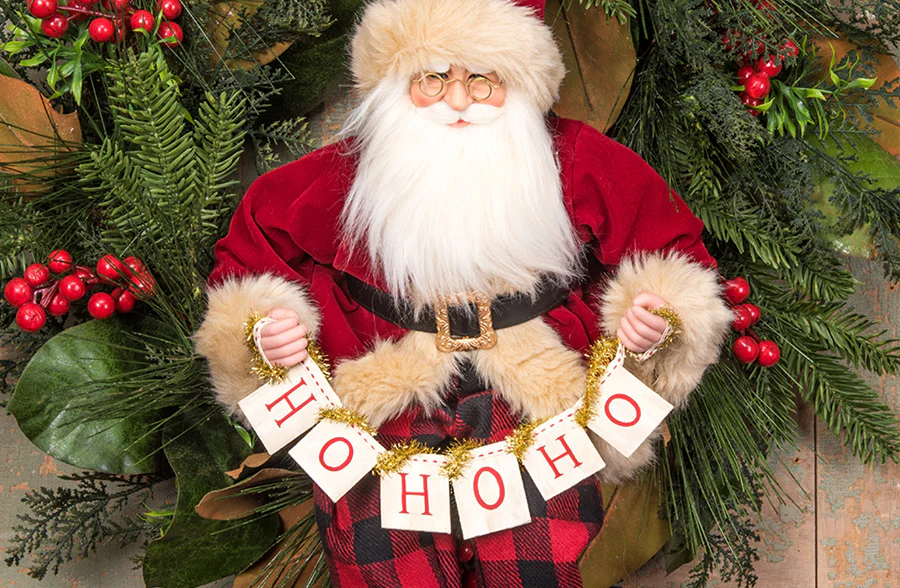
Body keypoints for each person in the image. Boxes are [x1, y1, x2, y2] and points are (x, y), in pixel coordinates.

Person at [195, 0, 732, 585]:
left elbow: (666, 246)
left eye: (481, 79)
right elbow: (254, 251)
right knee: (382, 556)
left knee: (539, 562)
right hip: (382, 401)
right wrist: (262, 326)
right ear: (397, 83)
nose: (456, 101)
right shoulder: (343, 174)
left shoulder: (572, 159)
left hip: (535, 398)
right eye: (432, 79)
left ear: (519, 80)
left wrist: (656, 313)